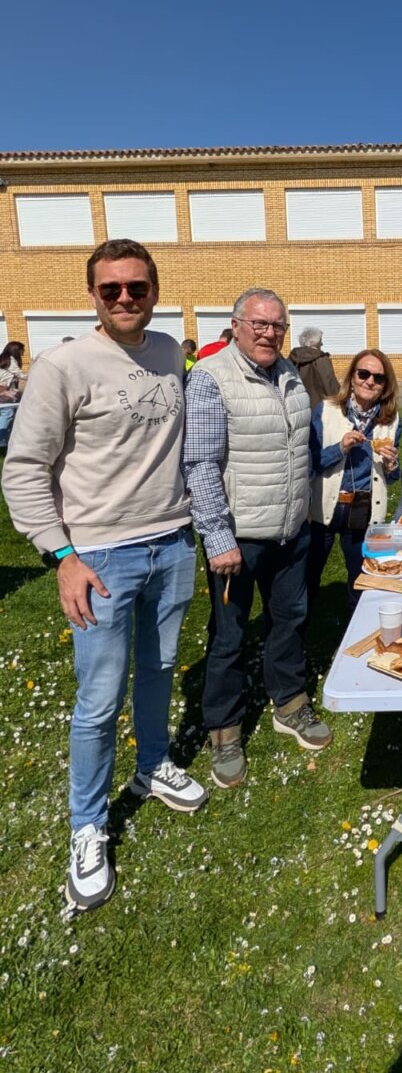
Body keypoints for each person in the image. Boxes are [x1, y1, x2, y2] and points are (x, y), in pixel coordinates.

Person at [1, 239, 207, 911]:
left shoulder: (171, 353)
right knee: (96, 701)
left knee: (158, 669)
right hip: (100, 558)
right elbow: (24, 468)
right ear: (92, 294)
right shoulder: (63, 366)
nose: (125, 298)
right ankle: (86, 828)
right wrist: (62, 556)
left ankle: (152, 767)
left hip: (172, 543)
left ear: (155, 290)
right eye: (111, 288)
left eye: (137, 288)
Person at [183, 288, 331, 791]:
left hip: (291, 530)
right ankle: (224, 730)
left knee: (290, 618)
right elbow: (200, 464)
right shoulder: (209, 378)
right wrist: (217, 535)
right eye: (260, 324)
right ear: (237, 324)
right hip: (239, 538)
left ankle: (289, 703)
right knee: (228, 636)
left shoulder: (289, 373)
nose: (270, 333)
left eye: (278, 326)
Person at [308, 349, 401, 608]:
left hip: (362, 508)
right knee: (307, 578)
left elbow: (392, 477)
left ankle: (355, 630)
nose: (370, 381)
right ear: (352, 377)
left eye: (378, 378)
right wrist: (339, 448)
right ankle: (298, 638)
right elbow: (309, 460)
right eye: (364, 374)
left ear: (385, 386)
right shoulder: (326, 411)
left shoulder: (390, 421)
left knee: (360, 579)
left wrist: (392, 464)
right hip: (324, 507)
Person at [289, 326, 339, 409]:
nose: (322, 344)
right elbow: (330, 385)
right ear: (315, 342)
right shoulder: (322, 359)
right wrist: (340, 400)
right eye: (321, 341)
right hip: (319, 409)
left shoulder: (291, 359)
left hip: (297, 407)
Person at [0, 341, 26, 449]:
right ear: (16, 350)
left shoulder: (3, 359)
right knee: (7, 414)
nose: (23, 353)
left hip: (2, 391)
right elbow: (21, 374)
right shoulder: (11, 360)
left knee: (5, 413)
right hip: (4, 392)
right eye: (21, 350)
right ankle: (2, 443)